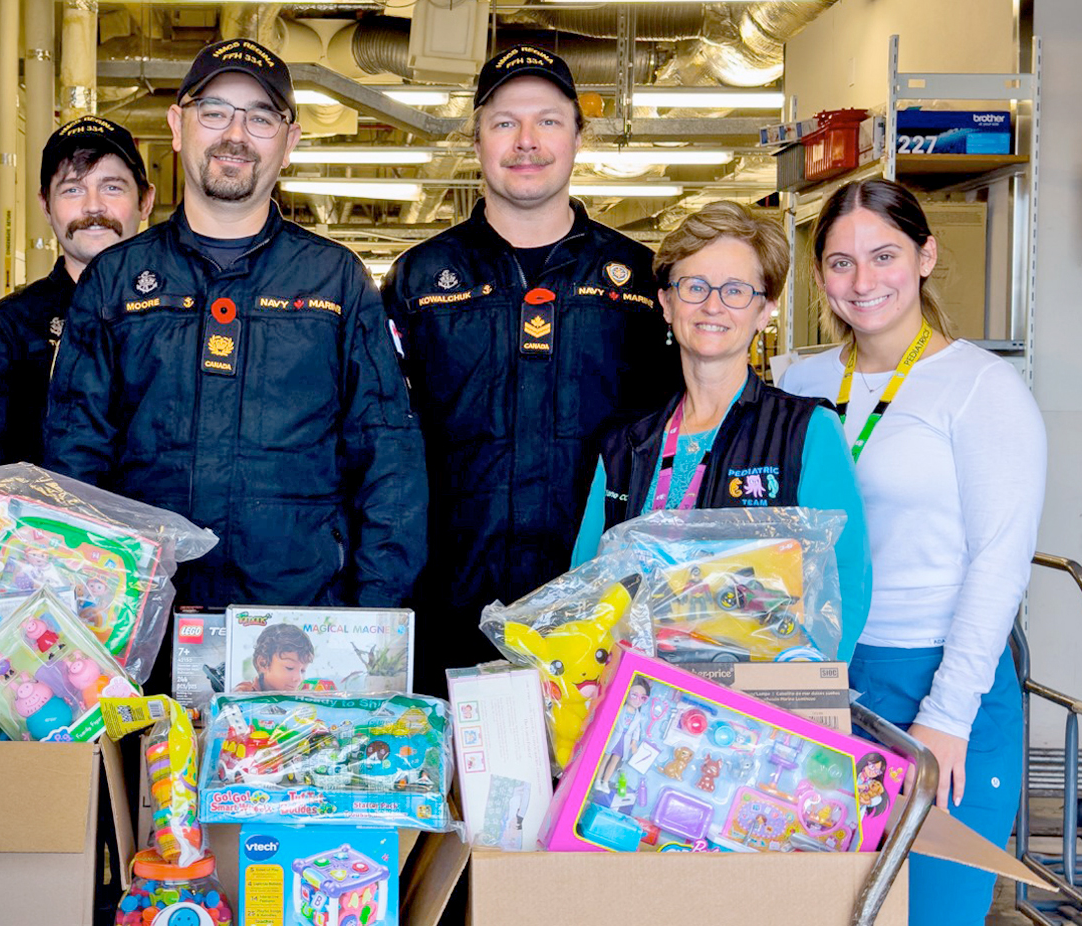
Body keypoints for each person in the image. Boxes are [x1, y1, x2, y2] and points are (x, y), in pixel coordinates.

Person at [43, 39, 426, 620]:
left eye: (261, 117)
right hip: (148, 626)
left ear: (290, 141)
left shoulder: (336, 281)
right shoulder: (115, 281)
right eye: (215, 111)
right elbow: (74, 461)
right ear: (178, 125)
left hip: (299, 624)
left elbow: (388, 459)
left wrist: (373, 616)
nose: (236, 134)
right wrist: (87, 614)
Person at [779, 178, 1044, 926]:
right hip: (821, 680)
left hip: (934, 677)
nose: (862, 283)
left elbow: (998, 563)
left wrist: (945, 715)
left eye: (883, 255)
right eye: (838, 263)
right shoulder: (800, 381)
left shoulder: (978, 388)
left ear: (925, 257)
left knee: (928, 910)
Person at [382, 45, 677, 694]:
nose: (526, 141)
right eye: (503, 122)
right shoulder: (419, 278)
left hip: (599, 608)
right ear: (477, 137)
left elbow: (675, 445)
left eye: (547, 120)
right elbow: (381, 444)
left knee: (584, 788)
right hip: (450, 603)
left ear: (577, 135)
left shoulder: (638, 282)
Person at [570, 201, 871, 660]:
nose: (713, 305)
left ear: (765, 309)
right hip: (636, 704)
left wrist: (810, 692)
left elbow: (846, 576)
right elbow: (587, 580)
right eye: (694, 286)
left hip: (758, 710)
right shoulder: (625, 443)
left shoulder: (806, 431)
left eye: (736, 290)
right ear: (666, 304)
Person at [0, 116, 156, 472]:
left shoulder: (179, 318)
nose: (93, 207)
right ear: (45, 205)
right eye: (73, 189)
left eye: (112, 187)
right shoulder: (8, 329)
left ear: (146, 201)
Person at [235, 623, 315, 692]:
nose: (298, 678)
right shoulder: (245, 692)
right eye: (289, 668)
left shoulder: (299, 696)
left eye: (302, 671)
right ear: (263, 663)